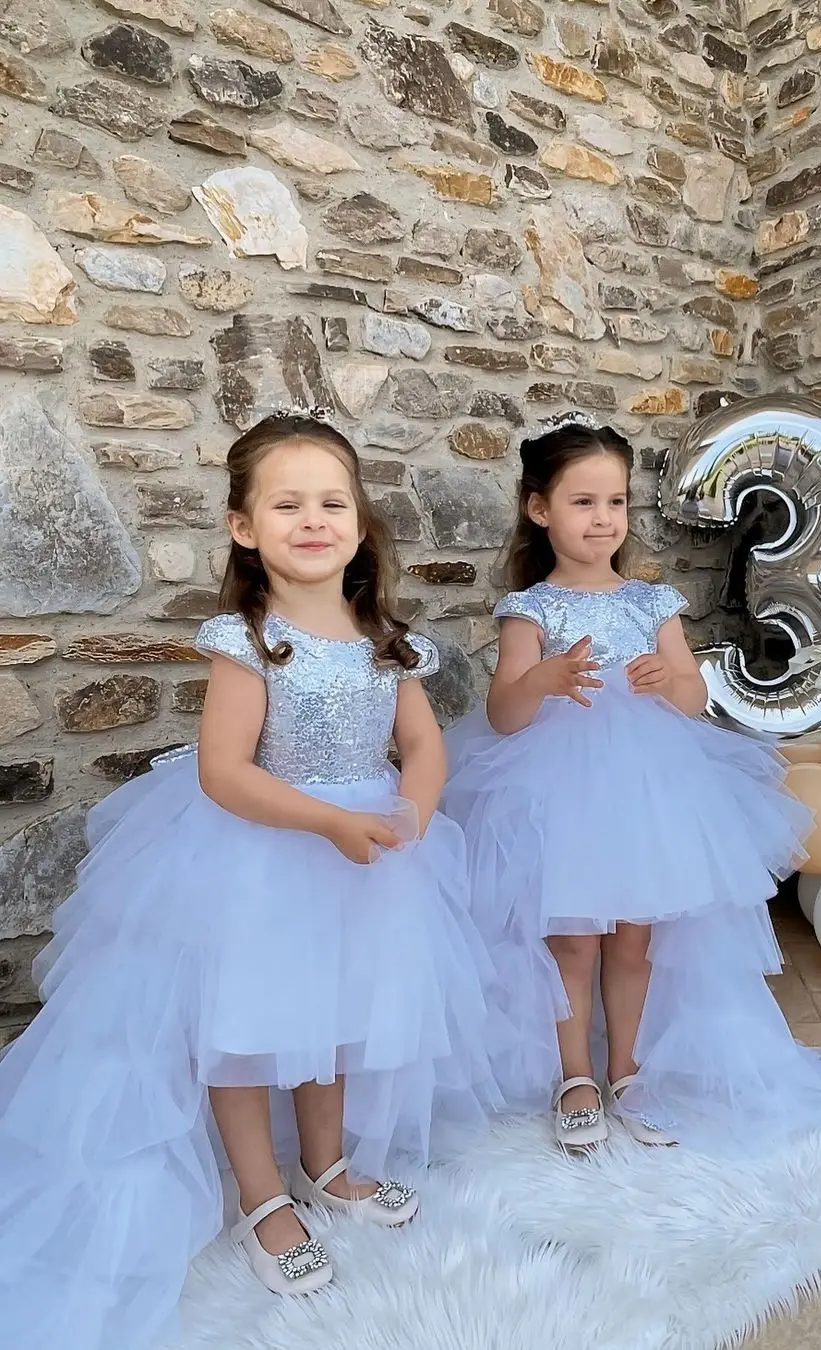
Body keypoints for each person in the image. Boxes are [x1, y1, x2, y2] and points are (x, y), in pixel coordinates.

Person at [0, 411, 499, 1350]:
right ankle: (262, 1196)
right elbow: (225, 771)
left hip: (369, 856)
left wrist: (415, 814)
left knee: (339, 1018)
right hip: (262, 853)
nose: (313, 520)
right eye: (288, 504)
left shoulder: (384, 636)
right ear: (244, 527)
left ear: (359, 522)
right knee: (247, 1028)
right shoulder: (248, 639)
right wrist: (328, 819)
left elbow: (424, 744)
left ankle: (326, 1165)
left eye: (332, 502)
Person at [442, 414, 821, 1153]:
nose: (603, 519)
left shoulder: (650, 602)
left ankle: (627, 1071)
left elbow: (693, 698)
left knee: (635, 942)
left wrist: (668, 681)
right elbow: (503, 714)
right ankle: (575, 1076)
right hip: (556, 792)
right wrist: (545, 678)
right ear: (540, 510)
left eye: (616, 502)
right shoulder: (531, 609)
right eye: (583, 502)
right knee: (572, 944)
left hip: (650, 792)